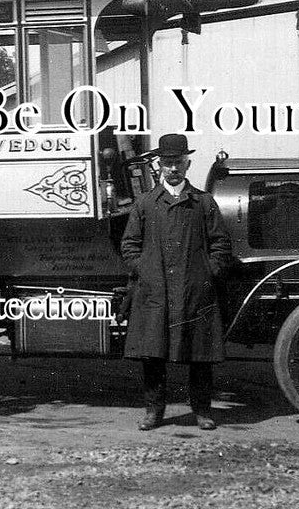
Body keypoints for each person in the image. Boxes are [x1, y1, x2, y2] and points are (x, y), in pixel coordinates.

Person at [119, 133, 233, 431]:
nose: (172, 169)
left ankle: (202, 411)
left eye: (178, 163)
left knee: (200, 357)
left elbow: (221, 245)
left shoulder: (203, 203)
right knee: (153, 356)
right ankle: (154, 412)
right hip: (155, 292)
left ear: (187, 164)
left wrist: (207, 274)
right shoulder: (145, 203)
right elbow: (129, 245)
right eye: (167, 163)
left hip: (194, 293)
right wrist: (145, 270)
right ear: (158, 166)